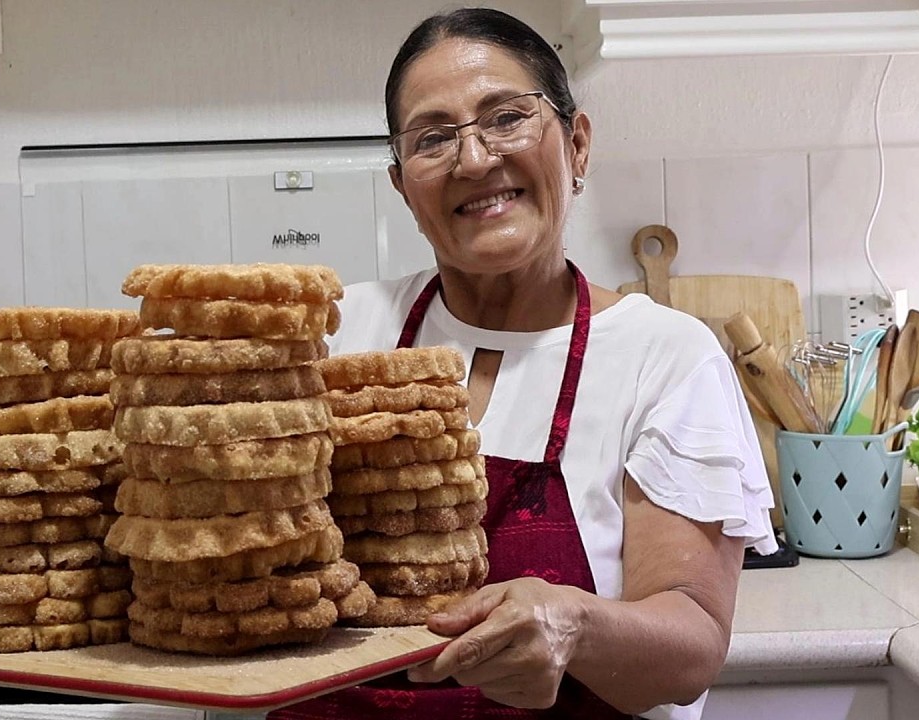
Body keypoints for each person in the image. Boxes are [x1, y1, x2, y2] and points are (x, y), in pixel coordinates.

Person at [269, 8, 777, 720]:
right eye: (433, 138)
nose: (474, 159)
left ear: (577, 144)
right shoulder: (340, 333)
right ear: (401, 185)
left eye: (507, 117)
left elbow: (690, 647)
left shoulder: (664, 358)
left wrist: (575, 626)